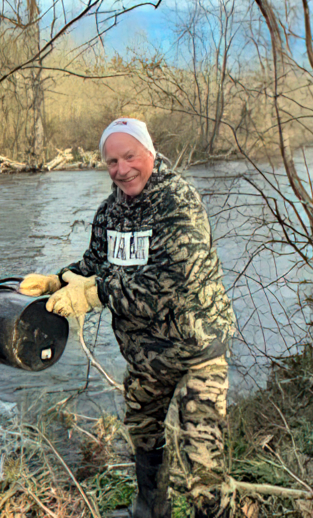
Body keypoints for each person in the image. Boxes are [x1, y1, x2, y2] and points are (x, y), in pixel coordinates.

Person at [20, 118, 234, 518]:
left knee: (203, 462)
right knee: (144, 437)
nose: (122, 169)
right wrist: (58, 280)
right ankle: (152, 510)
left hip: (196, 350)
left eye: (130, 156)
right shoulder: (109, 212)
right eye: (112, 161)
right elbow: (94, 264)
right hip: (145, 359)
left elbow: (171, 283)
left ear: (149, 152)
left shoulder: (178, 201)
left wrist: (96, 293)